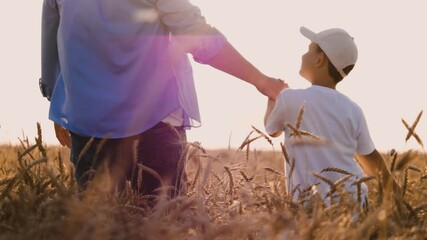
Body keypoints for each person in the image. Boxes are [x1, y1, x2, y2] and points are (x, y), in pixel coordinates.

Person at [40, 0, 286, 198]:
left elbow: (51, 41)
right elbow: (198, 37)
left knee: (96, 225)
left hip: (87, 120)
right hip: (155, 119)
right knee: (164, 222)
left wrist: (59, 103)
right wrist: (263, 82)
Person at [264, 26, 398, 204]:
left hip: (308, 207)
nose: (302, 54)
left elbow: (272, 130)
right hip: (353, 203)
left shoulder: (289, 97)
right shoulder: (353, 108)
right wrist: (397, 195)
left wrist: (272, 97)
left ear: (319, 60)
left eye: (308, 49)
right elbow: (370, 159)